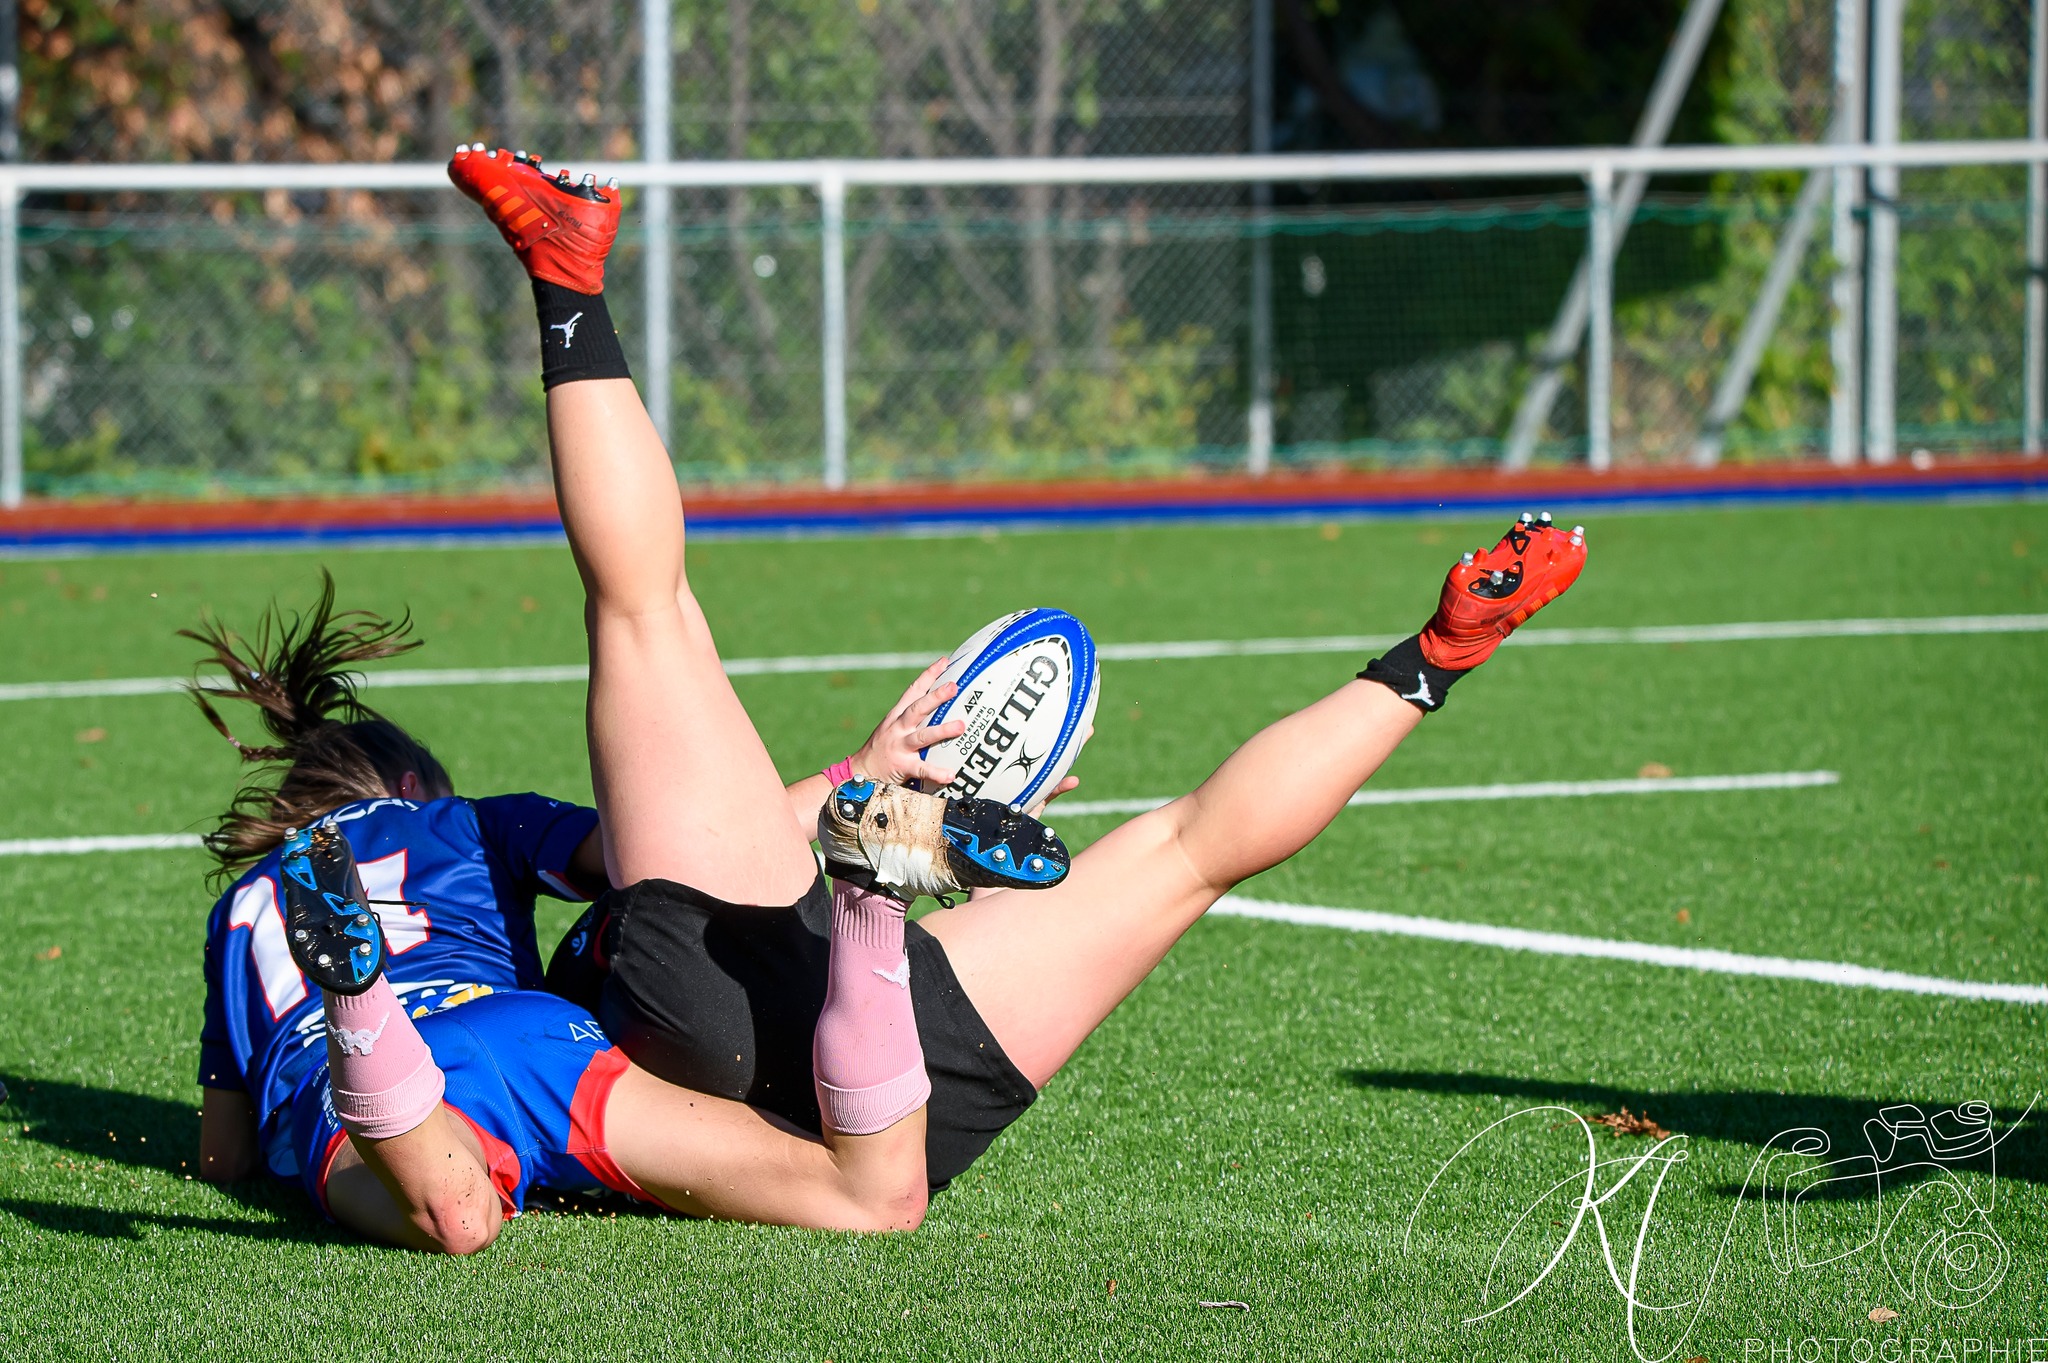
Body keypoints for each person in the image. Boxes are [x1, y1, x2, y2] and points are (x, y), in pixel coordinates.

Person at [445, 148, 1588, 1198]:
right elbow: (726, 830)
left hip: (685, 1021)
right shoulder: (443, 839)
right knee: (1188, 847)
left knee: (648, 616)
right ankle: (1431, 660)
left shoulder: (397, 886)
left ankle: (877, 864)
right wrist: (854, 768)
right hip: (897, 1064)